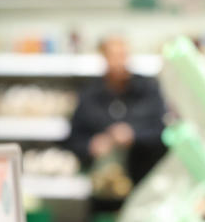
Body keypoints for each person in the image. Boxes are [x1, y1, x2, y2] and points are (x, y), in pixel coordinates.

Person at [66, 36, 167, 187]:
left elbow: (162, 130)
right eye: (113, 56)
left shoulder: (148, 89)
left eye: (122, 55)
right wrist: (91, 145)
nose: (118, 62)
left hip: (143, 177)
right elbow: (73, 138)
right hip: (102, 183)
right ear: (103, 57)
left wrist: (133, 135)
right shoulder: (89, 94)